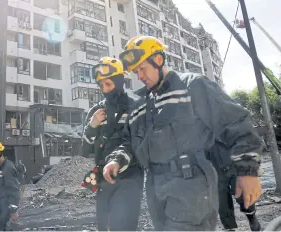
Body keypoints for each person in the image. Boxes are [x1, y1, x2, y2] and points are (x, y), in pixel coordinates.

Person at [102, 36, 263, 231]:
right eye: (136, 71)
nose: (139, 76)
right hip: (155, 185)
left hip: (191, 182)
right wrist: (116, 160)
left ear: (158, 60)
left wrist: (247, 172)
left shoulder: (193, 86)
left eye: (142, 69)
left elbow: (236, 123)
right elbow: (130, 141)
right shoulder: (140, 105)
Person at [81, 56, 144, 231]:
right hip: (103, 178)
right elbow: (85, 150)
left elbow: (137, 142)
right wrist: (92, 126)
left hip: (129, 177)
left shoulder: (135, 106)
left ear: (119, 81)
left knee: (122, 226)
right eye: (101, 86)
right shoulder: (96, 110)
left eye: (108, 84)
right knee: (104, 227)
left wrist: (117, 160)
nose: (105, 90)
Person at [207, 141, 262, 231]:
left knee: (242, 195)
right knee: (222, 201)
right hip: (215, 170)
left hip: (235, 167)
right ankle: (229, 227)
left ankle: (251, 216)